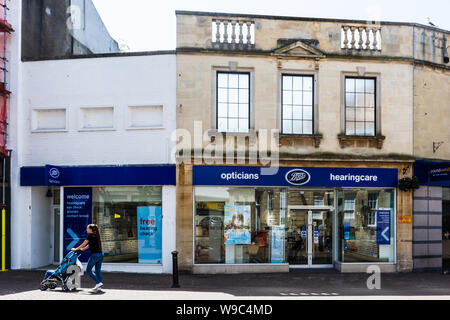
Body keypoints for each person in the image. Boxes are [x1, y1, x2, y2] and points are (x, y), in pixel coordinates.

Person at [71, 224, 104, 292]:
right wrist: (83, 249)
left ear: (91, 229)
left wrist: (76, 249)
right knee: (98, 270)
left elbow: (84, 243)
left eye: (87, 228)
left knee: (88, 270)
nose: (86, 229)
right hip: (100, 255)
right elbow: (89, 245)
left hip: (94, 255)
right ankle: (99, 287)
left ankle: (98, 283)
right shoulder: (96, 235)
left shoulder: (89, 236)